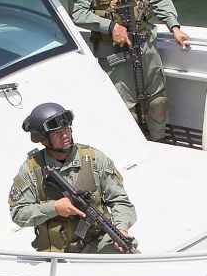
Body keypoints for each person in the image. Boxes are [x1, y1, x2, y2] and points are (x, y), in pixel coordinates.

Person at [68, 0, 190, 142]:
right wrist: (111, 27)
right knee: (126, 109)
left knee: (158, 102)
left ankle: (159, 144)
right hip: (112, 50)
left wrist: (174, 26)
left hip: (144, 43)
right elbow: (78, 13)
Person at [9, 103, 136, 253]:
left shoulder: (94, 158)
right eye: (56, 133)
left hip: (97, 240)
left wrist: (122, 229)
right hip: (56, 251)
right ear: (43, 140)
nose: (65, 135)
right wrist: (55, 208)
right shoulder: (31, 170)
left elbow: (120, 201)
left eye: (66, 129)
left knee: (127, 254)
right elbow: (18, 213)